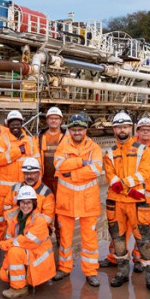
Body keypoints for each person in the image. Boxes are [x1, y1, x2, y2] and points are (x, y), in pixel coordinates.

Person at [102, 112, 150, 296]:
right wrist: (127, 188)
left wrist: (124, 184)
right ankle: (122, 273)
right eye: (119, 127)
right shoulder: (109, 153)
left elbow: (144, 173)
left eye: (125, 127)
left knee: (144, 242)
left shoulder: (142, 150)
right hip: (116, 204)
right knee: (119, 241)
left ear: (131, 129)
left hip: (137, 205)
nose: (122, 130)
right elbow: (110, 176)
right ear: (114, 130)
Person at [53, 112, 104, 287]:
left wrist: (72, 173)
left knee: (89, 239)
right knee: (66, 239)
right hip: (66, 201)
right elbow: (58, 166)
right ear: (70, 130)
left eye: (80, 129)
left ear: (85, 130)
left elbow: (96, 170)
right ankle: (64, 268)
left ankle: (90, 272)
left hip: (88, 202)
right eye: (74, 129)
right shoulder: (63, 146)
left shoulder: (94, 148)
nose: (77, 132)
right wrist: (82, 162)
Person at [0, 110, 36, 261]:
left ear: (21, 124)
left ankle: (17, 247)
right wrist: (18, 150)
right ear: (8, 124)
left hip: (23, 191)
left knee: (21, 221)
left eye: (18, 123)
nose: (15, 125)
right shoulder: (1, 139)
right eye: (12, 123)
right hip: (4, 191)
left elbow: (36, 163)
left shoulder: (30, 141)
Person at [0, 185, 56, 299]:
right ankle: (22, 277)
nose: (25, 206)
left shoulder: (39, 220)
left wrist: (8, 244)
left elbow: (28, 242)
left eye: (29, 202)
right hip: (27, 253)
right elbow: (10, 240)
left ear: (34, 203)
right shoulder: (13, 217)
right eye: (23, 202)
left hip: (38, 257)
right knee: (4, 275)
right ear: (19, 203)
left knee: (14, 252)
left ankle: (19, 288)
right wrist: (6, 264)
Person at [7, 156, 55, 227]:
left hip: (38, 229)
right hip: (17, 226)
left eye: (32, 173)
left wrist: (29, 224)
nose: (29, 176)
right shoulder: (15, 189)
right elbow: (6, 210)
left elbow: (48, 218)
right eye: (26, 173)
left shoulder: (46, 193)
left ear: (39, 173)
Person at [38, 106, 66, 193]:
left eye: (56, 118)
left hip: (61, 179)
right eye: (51, 118)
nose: (54, 121)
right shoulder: (40, 136)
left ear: (60, 121)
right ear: (47, 120)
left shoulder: (66, 137)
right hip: (44, 178)